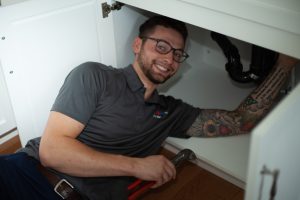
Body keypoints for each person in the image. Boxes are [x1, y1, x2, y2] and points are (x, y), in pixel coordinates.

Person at [0, 15, 298, 200]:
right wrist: (137, 166)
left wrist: (284, 65)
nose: (170, 59)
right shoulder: (95, 75)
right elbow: (52, 152)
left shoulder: (170, 112)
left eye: (178, 54)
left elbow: (240, 121)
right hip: (26, 177)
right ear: (137, 45)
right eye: (161, 46)